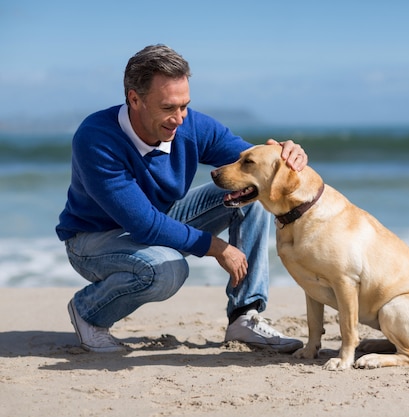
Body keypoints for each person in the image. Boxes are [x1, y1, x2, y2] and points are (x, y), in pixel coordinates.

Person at [56, 44, 308, 354]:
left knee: (248, 192)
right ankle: (88, 313)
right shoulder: (97, 139)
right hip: (93, 240)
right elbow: (144, 226)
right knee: (167, 269)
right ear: (135, 99)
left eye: (184, 106)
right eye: (168, 108)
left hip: (159, 219)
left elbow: (254, 165)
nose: (179, 118)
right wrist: (218, 248)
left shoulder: (190, 126)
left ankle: (245, 316)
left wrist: (285, 154)